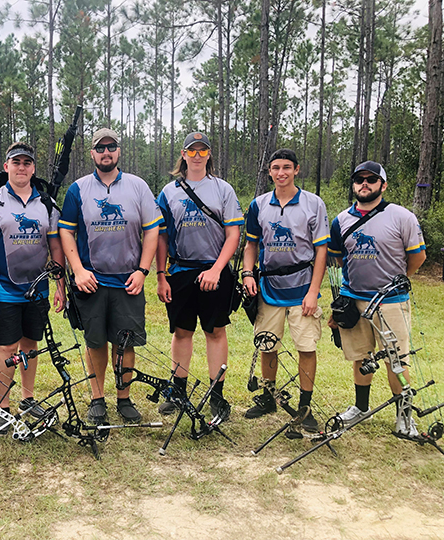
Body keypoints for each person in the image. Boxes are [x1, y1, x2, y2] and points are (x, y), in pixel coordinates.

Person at [59, 128, 163, 424]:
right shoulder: (78, 190)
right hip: (91, 281)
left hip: (128, 279)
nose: (106, 152)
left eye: (111, 147)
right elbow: (66, 230)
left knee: (125, 342)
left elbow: (152, 229)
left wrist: (143, 271)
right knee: (95, 343)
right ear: (92, 154)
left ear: (119, 151)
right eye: (100, 148)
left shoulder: (137, 186)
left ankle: (124, 398)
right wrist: (78, 270)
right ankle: (97, 398)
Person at [0, 142, 66, 435]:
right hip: (3, 289)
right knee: (7, 346)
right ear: (6, 166)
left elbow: (55, 246)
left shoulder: (45, 203)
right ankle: (2, 407)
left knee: (30, 344)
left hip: (37, 289)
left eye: (27, 163)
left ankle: (27, 398)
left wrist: (60, 285)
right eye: (16, 162)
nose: (21, 167)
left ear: (33, 168)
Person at [328, 161, 426, 436]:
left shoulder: (402, 216)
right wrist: (338, 305)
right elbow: (336, 260)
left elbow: (418, 256)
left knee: (397, 359)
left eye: (372, 180)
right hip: (354, 299)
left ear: (383, 185)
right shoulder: (341, 220)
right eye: (359, 179)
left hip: (391, 300)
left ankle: (405, 416)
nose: (365, 184)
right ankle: (361, 408)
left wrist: (399, 280)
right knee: (361, 356)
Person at [155, 131, 244, 422]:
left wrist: (217, 269)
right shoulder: (169, 192)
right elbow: (162, 237)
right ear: (183, 155)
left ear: (209, 155)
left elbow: (234, 234)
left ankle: (216, 395)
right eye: (191, 151)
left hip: (214, 271)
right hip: (181, 270)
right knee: (182, 331)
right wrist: (161, 275)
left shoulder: (222, 189)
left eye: (202, 150)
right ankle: (177, 390)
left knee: (215, 331)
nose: (196, 155)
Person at [241, 149, 329, 431]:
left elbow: (321, 250)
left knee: (306, 347)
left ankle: (304, 407)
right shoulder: (258, 205)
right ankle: (268, 396)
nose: (281, 173)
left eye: (287, 168)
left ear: (296, 170)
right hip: (269, 287)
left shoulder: (314, 204)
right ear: (269, 171)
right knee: (267, 344)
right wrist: (247, 274)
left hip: (302, 286)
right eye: (276, 168)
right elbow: (251, 244)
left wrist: (314, 291)